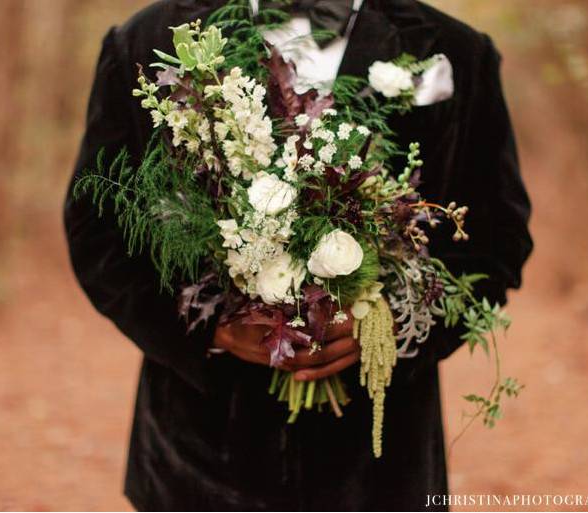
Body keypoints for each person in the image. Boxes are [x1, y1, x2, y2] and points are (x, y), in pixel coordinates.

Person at [63, 0, 533, 510]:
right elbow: (96, 231)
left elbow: (498, 239)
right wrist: (206, 329)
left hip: (378, 470)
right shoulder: (146, 42)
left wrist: (391, 330)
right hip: (198, 460)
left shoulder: (457, 52)